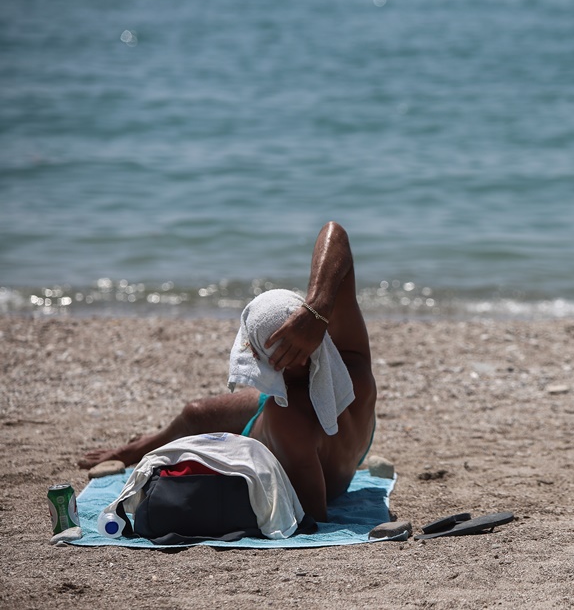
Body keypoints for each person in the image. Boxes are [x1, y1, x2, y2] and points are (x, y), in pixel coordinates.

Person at [79, 221, 377, 522]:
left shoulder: (285, 417)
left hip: (318, 473)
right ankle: (141, 444)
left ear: (265, 360)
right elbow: (334, 231)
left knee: (197, 418)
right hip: (347, 453)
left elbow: (313, 515)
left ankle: (142, 448)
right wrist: (317, 307)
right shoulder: (354, 367)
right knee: (197, 413)